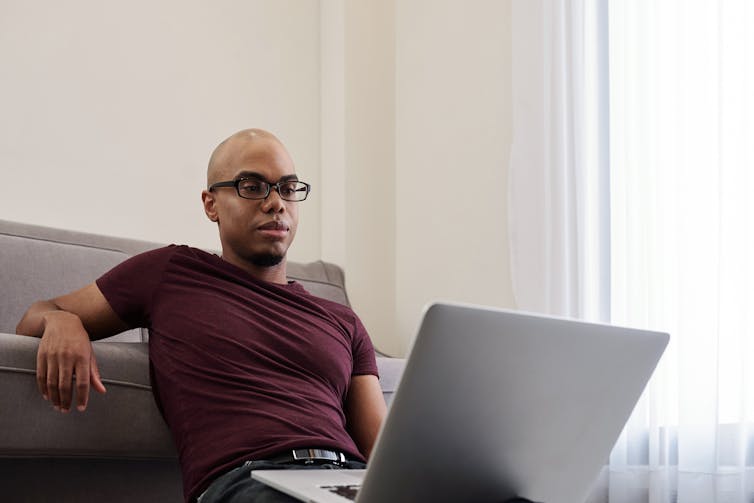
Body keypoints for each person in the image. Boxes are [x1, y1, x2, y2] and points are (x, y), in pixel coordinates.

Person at [16, 128, 387, 503]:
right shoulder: (171, 272)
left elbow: (385, 454)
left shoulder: (344, 321)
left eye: (288, 188)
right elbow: (39, 313)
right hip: (249, 482)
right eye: (252, 186)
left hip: (348, 481)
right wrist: (62, 320)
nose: (276, 203)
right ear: (211, 204)